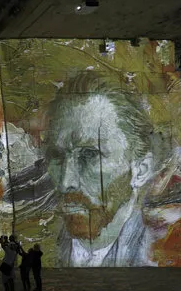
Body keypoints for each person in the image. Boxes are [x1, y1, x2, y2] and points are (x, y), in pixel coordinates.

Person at [47, 72, 161, 267]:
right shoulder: (46, 243)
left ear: (141, 170)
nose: (66, 182)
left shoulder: (155, 252)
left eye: (90, 155)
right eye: (57, 156)